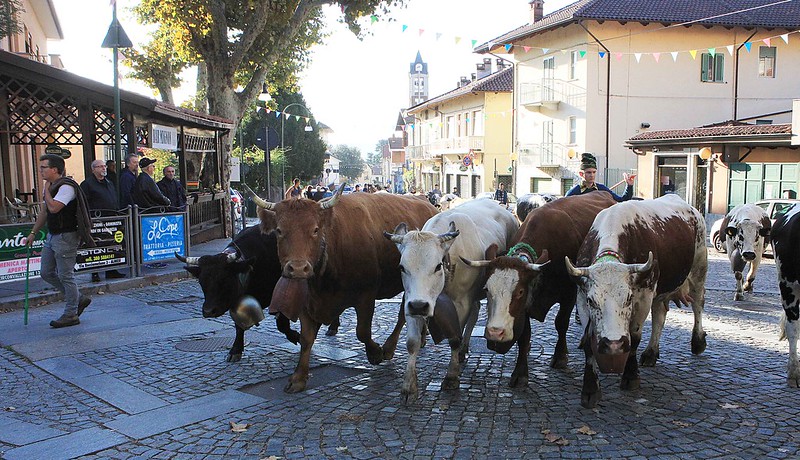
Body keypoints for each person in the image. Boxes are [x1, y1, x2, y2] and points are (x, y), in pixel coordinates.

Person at [25, 153, 95, 328]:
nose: (40, 171)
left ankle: (71, 313)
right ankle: (78, 298)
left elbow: (54, 208)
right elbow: (45, 211)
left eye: (43, 167)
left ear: (54, 170)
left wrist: (47, 193)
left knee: (65, 275)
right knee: (46, 272)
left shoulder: (66, 187)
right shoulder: (51, 186)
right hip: (52, 234)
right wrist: (33, 232)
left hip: (66, 235)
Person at [80, 159, 125, 282]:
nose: (103, 168)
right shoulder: (87, 184)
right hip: (96, 220)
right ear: (93, 169)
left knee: (110, 244)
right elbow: (84, 202)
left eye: (104, 166)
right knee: (95, 246)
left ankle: (111, 270)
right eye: (100, 166)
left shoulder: (109, 182)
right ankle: (95, 272)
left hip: (111, 220)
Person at [565, 153, 635, 202]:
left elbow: (622, 201)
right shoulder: (574, 192)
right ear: (581, 174)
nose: (592, 175)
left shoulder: (602, 189)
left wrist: (629, 186)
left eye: (594, 172)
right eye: (588, 172)